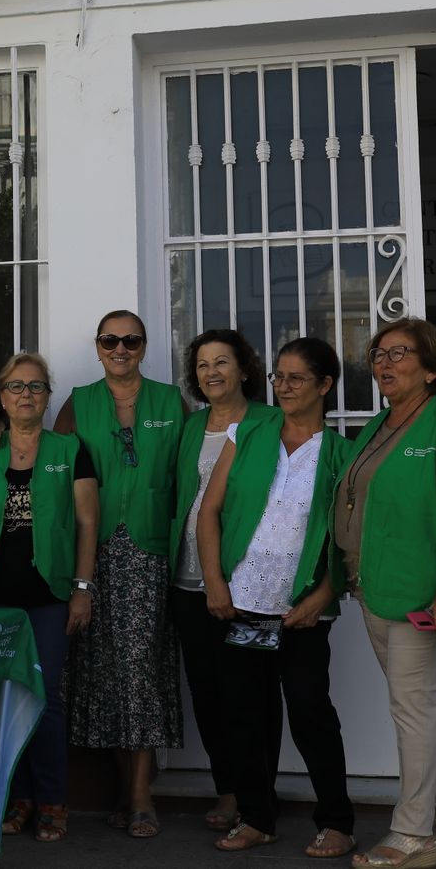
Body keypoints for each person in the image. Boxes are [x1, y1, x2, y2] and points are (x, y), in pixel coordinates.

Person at [194, 338, 355, 857]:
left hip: (301, 612)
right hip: (241, 603)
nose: (283, 387)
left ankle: (336, 821)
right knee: (242, 713)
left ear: (325, 385)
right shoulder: (249, 434)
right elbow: (209, 512)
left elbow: (351, 542)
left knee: (311, 713)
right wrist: (216, 582)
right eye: (278, 378)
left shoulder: (340, 455)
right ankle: (257, 817)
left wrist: (325, 595)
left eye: (295, 379)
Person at [336, 318, 436, 869]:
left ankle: (413, 833)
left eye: (400, 353)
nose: (384, 363)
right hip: (377, 588)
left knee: (414, 707)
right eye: (378, 353)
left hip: (427, 597)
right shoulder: (378, 426)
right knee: (423, 708)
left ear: (431, 368)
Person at [58, 310, 186, 838]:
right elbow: (54, 470)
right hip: (93, 555)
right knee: (101, 672)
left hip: (152, 554)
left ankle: (140, 795)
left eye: (130, 339)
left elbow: (190, 475)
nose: (120, 348)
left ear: (144, 345)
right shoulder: (77, 403)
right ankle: (124, 789)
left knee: (140, 670)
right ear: (97, 346)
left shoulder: (171, 401)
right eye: (110, 339)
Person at [0, 353, 99, 844]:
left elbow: (88, 523)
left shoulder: (71, 449)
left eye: (36, 387)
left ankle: (52, 799)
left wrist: (82, 590)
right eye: (15, 387)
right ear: (1, 397)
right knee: (2, 699)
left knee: (45, 698)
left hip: (48, 595)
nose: (25, 395)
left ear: (49, 396)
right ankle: (18, 797)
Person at [166, 327, 276, 837]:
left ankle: (258, 799)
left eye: (222, 362)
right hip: (187, 584)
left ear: (245, 369)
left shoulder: (268, 423)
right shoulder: (191, 428)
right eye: (203, 364)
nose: (211, 372)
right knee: (206, 692)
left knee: (247, 696)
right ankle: (228, 788)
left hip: (246, 586)